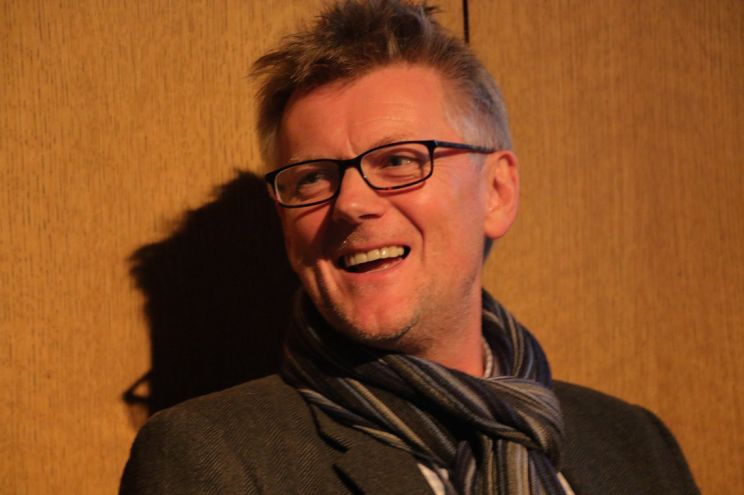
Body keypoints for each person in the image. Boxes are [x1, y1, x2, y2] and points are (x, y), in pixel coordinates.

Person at [120, 1, 699, 493]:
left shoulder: (637, 445)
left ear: (497, 192)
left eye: (398, 160)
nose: (350, 204)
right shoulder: (212, 459)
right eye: (313, 178)